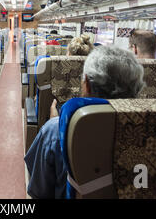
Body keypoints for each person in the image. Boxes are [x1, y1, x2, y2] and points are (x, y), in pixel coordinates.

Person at [24, 46, 145, 199]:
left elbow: (40, 191)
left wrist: (55, 122)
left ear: (86, 83)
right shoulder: (151, 130)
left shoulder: (56, 130)